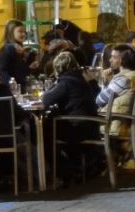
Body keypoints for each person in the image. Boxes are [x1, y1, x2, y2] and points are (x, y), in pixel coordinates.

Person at [41, 51, 103, 182]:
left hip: (77, 129)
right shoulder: (80, 79)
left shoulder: (65, 83)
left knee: (44, 134)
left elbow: (46, 99)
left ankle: (63, 170)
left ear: (58, 68)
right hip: (90, 126)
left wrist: (55, 82)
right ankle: (73, 167)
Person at [95, 45, 135, 137]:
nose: (110, 60)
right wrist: (109, 79)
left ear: (123, 60)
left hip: (113, 124)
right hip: (122, 122)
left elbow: (99, 101)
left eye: (114, 57)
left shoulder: (124, 80)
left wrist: (104, 82)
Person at [0, 19, 37, 90]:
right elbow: (2, 71)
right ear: (11, 33)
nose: (23, 34)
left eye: (24, 32)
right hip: (13, 89)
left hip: (21, 86)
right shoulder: (7, 48)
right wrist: (12, 84)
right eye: (20, 32)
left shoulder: (20, 48)